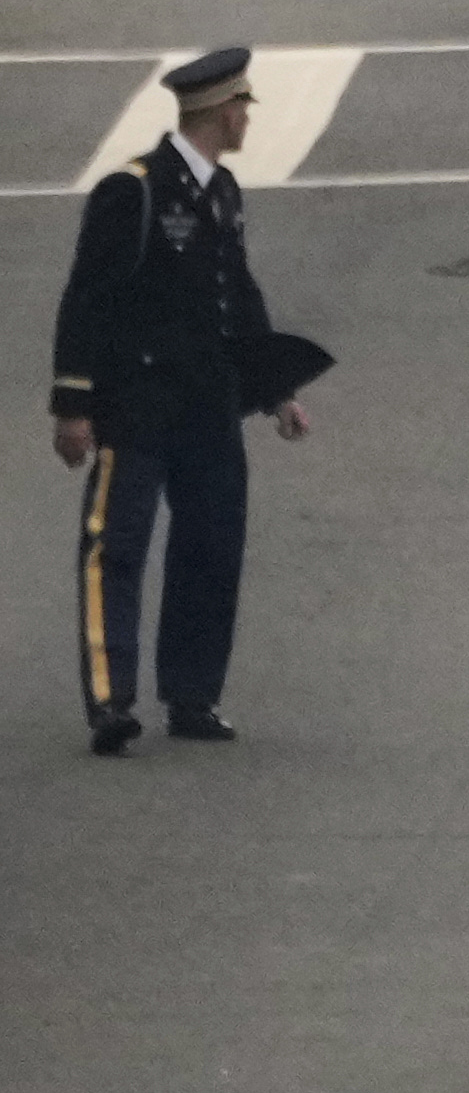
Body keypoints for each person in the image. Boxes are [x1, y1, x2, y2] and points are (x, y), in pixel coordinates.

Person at [50, 48, 320, 756]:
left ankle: (193, 694)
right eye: (243, 109)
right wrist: (73, 406)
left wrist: (276, 391)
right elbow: (88, 299)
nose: (246, 120)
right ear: (222, 111)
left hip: (209, 404)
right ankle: (112, 701)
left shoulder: (225, 192)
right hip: (138, 402)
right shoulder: (132, 190)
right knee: (118, 549)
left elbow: (240, 295)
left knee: (211, 548)